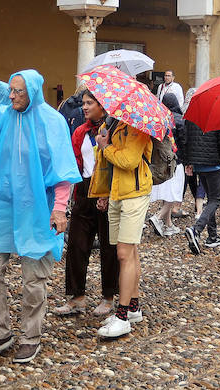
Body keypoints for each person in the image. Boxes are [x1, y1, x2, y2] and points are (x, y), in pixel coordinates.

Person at [0, 70, 79, 364]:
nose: (11, 96)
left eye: (18, 91)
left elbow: (62, 172)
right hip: (1, 208)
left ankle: (30, 336)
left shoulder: (52, 122)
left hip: (38, 210)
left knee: (33, 280)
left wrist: (59, 209)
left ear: (32, 92)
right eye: (11, 90)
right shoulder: (6, 118)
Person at [89, 89, 155, 340]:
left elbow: (128, 160)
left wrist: (105, 147)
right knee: (130, 251)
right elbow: (107, 159)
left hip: (134, 193)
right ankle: (133, 306)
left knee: (124, 253)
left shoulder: (138, 127)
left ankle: (123, 315)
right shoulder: (115, 123)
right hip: (118, 191)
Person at [56, 90, 119, 317]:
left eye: (89, 103)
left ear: (102, 106)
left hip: (107, 188)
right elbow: (74, 161)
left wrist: (107, 192)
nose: (84, 107)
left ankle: (108, 296)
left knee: (108, 246)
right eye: (83, 103)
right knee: (76, 244)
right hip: (84, 189)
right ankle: (77, 296)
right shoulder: (81, 131)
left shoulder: (112, 131)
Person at [181, 98, 220, 254]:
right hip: (214, 163)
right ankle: (196, 229)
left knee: (210, 199)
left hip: (199, 164)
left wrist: (189, 161)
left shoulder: (192, 115)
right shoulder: (219, 115)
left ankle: (213, 236)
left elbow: (185, 139)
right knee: (215, 199)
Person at [147, 93, 188, 237]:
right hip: (177, 160)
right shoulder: (180, 120)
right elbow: (184, 142)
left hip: (162, 161)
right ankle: (158, 217)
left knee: (168, 192)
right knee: (173, 193)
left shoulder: (160, 118)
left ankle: (168, 224)